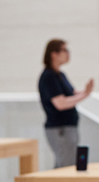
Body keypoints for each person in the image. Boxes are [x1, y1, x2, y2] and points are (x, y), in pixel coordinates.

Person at [38, 39, 94, 168]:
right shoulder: (48, 77)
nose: (68, 53)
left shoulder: (60, 75)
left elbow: (72, 94)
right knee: (65, 165)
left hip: (68, 126)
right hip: (60, 128)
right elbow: (60, 103)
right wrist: (85, 94)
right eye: (65, 50)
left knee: (67, 163)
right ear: (54, 54)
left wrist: (86, 91)